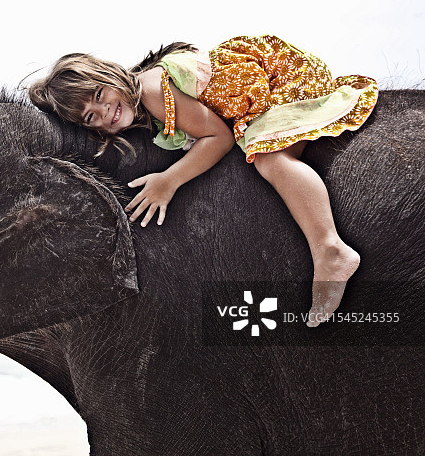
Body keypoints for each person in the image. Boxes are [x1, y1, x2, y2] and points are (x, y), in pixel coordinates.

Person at [26, 35, 378, 328]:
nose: (104, 111)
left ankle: (330, 248)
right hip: (262, 80)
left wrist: (169, 180)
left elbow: (219, 137)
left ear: (111, 76)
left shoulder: (151, 90)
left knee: (272, 159)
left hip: (278, 81)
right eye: (91, 116)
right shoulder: (147, 97)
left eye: (100, 95)